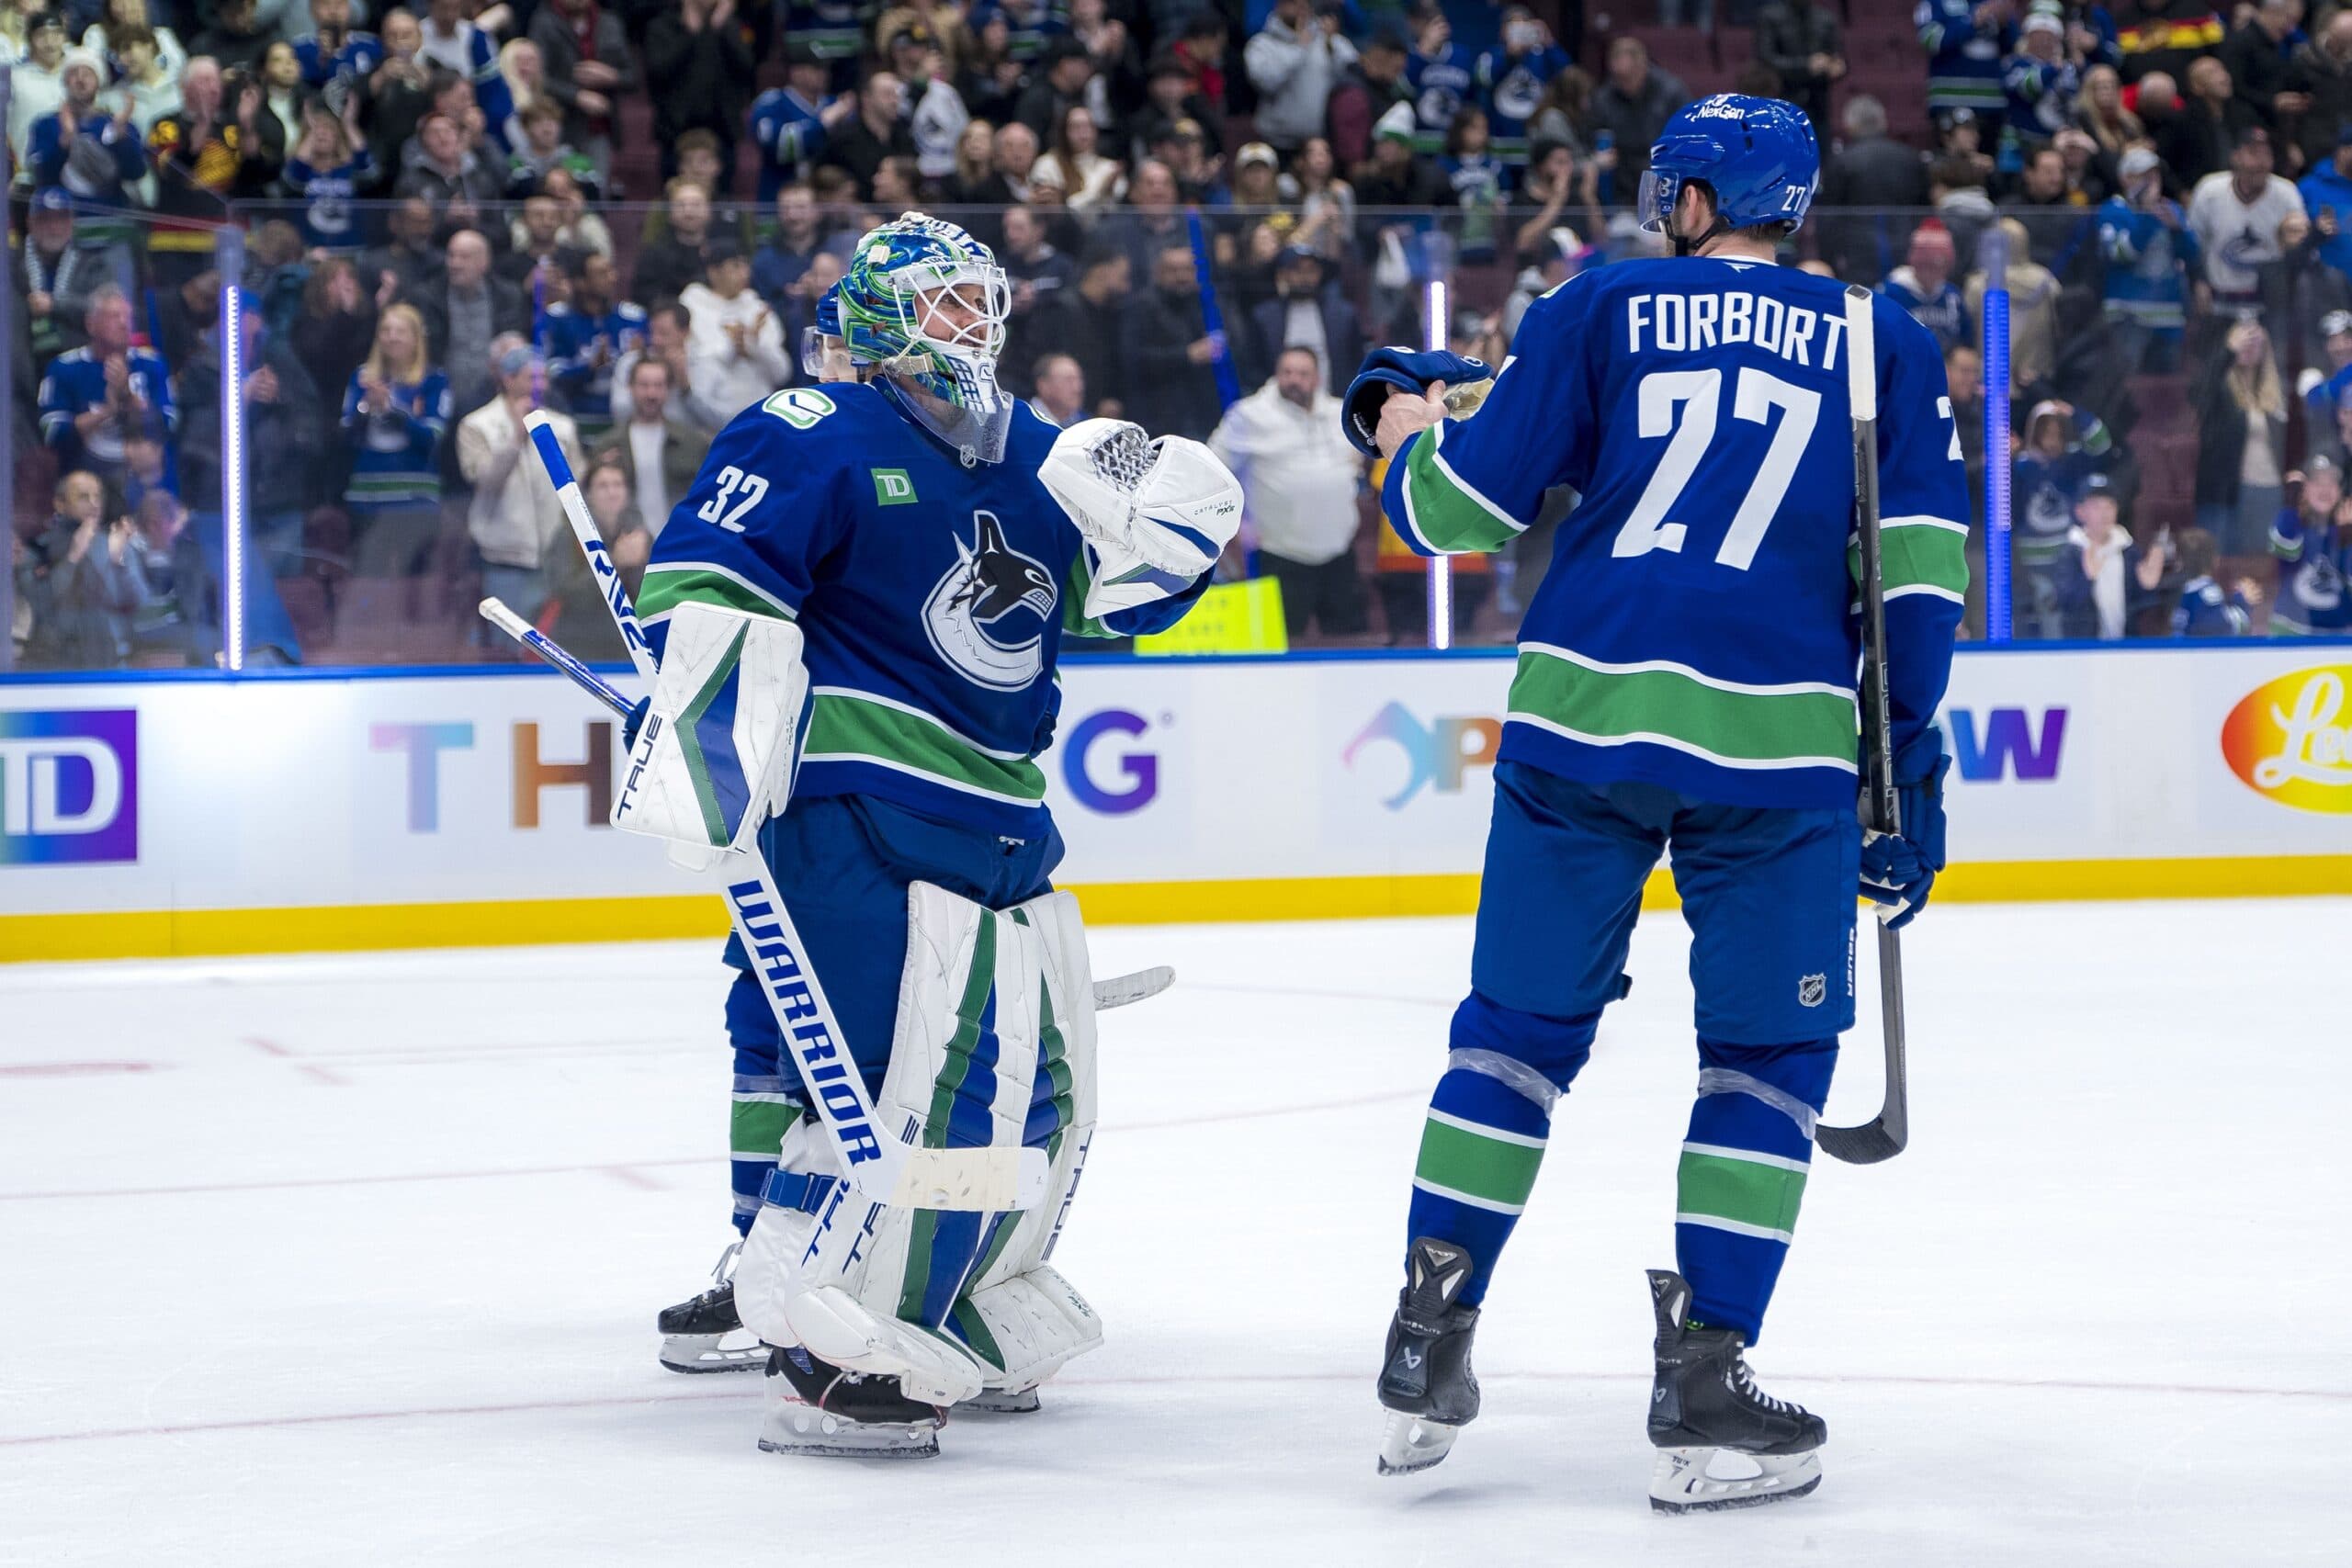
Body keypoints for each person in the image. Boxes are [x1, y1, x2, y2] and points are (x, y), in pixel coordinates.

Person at [1359, 95, 1965, 1510]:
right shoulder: (1882, 334)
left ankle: (1426, 1329)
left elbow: (1454, 515)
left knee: (1510, 1038)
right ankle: (1703, 1372)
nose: (1658, 205)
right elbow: (1917, 586)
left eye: (1673, 185)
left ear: (1702, 195)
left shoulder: (1605, 302)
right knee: (1763, 1064)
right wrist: (1909, 770)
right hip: (1778, 753)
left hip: (1581, 721)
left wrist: (1404, 428)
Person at [633, 214, 1237, 1454]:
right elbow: (704, 584)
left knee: (1013, 1102)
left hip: (1009, 827)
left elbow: (1135, 594)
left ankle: (951, 1289)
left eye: (983, 297)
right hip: (861, 815)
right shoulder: (814, 428)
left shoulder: (1046, 458)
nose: (977, 322)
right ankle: (818, 1338)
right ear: (881, 320)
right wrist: (705, 730)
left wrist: (1178, 526)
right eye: (947, 301)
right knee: (872, 1087)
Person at [1209, 344, 1364, 638]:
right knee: (1278, 649)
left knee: (1350, 648)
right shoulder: (1249, 415)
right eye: (1287, 372)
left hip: (1339, 554)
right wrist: (1234, 522)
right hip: (1281, 555)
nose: (1294, 380)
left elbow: (1358, 461)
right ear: (1276, 375)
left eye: (1303, 373)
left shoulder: (1339, 412)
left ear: (1317, 378)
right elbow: (1211, 469)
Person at [460, 335, 584, 624]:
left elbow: (577, 483)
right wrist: (517, 436)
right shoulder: (477, 425)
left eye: (544, 378)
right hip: (505, 557)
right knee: (509, 642)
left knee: (556, 641)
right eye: (532, 378)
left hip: (556, 558)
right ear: (508, 379)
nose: (540, 385)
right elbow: (485, 481)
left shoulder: (563, 426)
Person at [340, 301, 452, 583]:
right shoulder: (362, 378)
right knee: (369, 586)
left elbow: (432, 438)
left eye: (399, 331)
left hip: (415, 502)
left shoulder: (434, 380)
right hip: (368, 500)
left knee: (413, 589)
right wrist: (367, 406)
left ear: (416, 339)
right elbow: (345, 436)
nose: (391, 337)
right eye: (386, 330)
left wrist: (392, 409)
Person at [38, 285, 174, 491]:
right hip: (81, 473)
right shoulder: (64, 367)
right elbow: (53, 431)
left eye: (128, 317)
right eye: (114, 316)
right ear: (91, 324)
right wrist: (108, 410)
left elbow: (169, 422)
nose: (124, 324)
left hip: (142, 477)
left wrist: (127, 394)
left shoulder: (152, 364)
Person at [2097, 146, 2198, 374]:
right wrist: (2149, 218)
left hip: (2168, 316)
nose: (2151, 181)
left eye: (2155, 175)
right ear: (2125, 178)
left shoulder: (2171, 209)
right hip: (2128, 318)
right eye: (2143, 175)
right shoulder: (2113, 211)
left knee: (2166, 390)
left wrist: (2178, 230)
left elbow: (2191, 255)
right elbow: (2121, 255)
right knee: (2127, 388)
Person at [2187, 128, 2302, 320]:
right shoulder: (2210, 190)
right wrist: (2198, 281)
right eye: (2253, 153)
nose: (2260, 162)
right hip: (2218, 305)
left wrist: (2292, 240)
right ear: (2236, 157)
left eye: (2267, 155)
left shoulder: (2286, 193)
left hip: (2268, 308)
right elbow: (2193, 245)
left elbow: (2299, 247)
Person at [541, 248, 646, 442]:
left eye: (611, 270)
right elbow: (551, 373)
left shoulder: (633, 318)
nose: (612, 278)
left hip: (625, 424)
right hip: (574, 421)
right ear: (580, 282)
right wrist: (588, 367)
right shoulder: (557, 318)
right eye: (602, 273)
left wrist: (637, 360)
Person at [682, 238, 790, 420]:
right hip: (708, 417)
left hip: (759, 413)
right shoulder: (692, 306)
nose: (743, 273)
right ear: (713, 272)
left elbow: (782, 373)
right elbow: (696, 363)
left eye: (745, 266)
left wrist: (754, 346)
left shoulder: (758, 309)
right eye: (735, 267)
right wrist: (734, 347)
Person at [610, 355, 710, 540]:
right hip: (628, 544)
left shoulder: (694, 444)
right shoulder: (609, 446)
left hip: (680, 542)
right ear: (630, 388)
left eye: (658, 385)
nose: (651, 394)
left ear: (668, 389)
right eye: (644, 385)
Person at [2268, 457, 2352, 634]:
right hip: (2291, 630)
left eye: (2332, 483)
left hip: (2340, 635)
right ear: (2304, 490)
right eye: (2317, 483)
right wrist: (2291, 505)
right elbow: (2286, 549)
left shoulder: (2346, 530)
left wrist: (2348, 545)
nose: (2325, 489)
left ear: (2340, 492)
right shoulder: (2291, 522)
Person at [1879, 220, 1971, 350]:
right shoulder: (1890, 294)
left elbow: (1966, 345)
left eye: (1939, 264)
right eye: (1926, 263)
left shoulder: (1953, 297)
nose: (1931, 271)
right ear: (1914, 261)